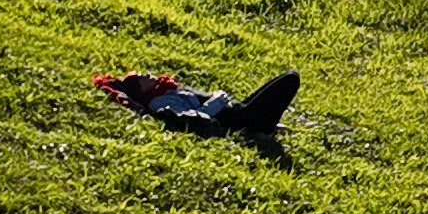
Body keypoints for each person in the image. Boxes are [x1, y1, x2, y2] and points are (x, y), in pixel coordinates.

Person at [92, 68, 299, 137]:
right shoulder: (159, 102)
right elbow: (197, 119)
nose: (147, 74)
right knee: (291, 78)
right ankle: (263, 128)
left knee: (285, 78)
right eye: (140, 78)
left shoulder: (168, 92)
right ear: (141, 90)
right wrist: (217, 101)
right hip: (241, 120)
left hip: (238, 110)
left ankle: (270, 124)